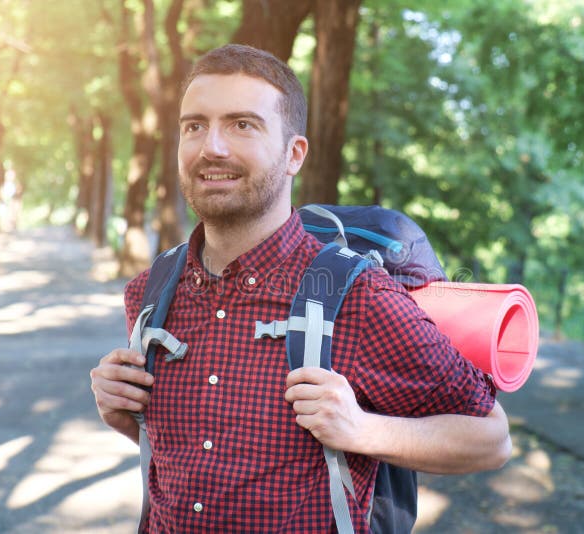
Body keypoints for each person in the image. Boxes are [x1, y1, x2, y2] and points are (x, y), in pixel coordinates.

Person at [90, 43, 511, 533]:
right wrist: (123, 415)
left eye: (242, 124)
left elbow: (492, 438)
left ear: (294, 154)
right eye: (194, 126)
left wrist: (363, 429)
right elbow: (189, 456)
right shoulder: (150, 292)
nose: (212, 147)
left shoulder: (357, 295)